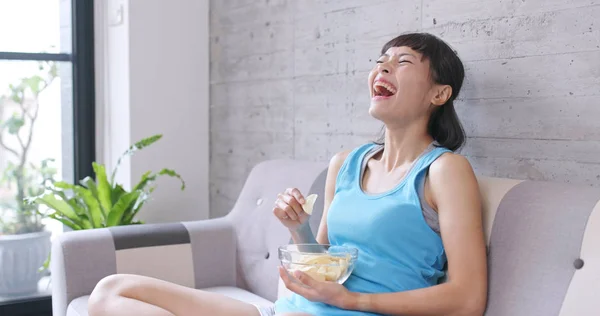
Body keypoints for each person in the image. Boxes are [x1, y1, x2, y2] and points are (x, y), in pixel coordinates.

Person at [88, 32, 487, 316]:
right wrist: (300, 231)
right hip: (289, 310)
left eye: (402, 63)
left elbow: (467, 299)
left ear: (439, 94)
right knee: (111, 290)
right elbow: (325, 262)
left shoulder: (444, 171)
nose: (383, 68)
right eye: (380, 61)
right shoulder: (346, 163)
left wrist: (353, 301)